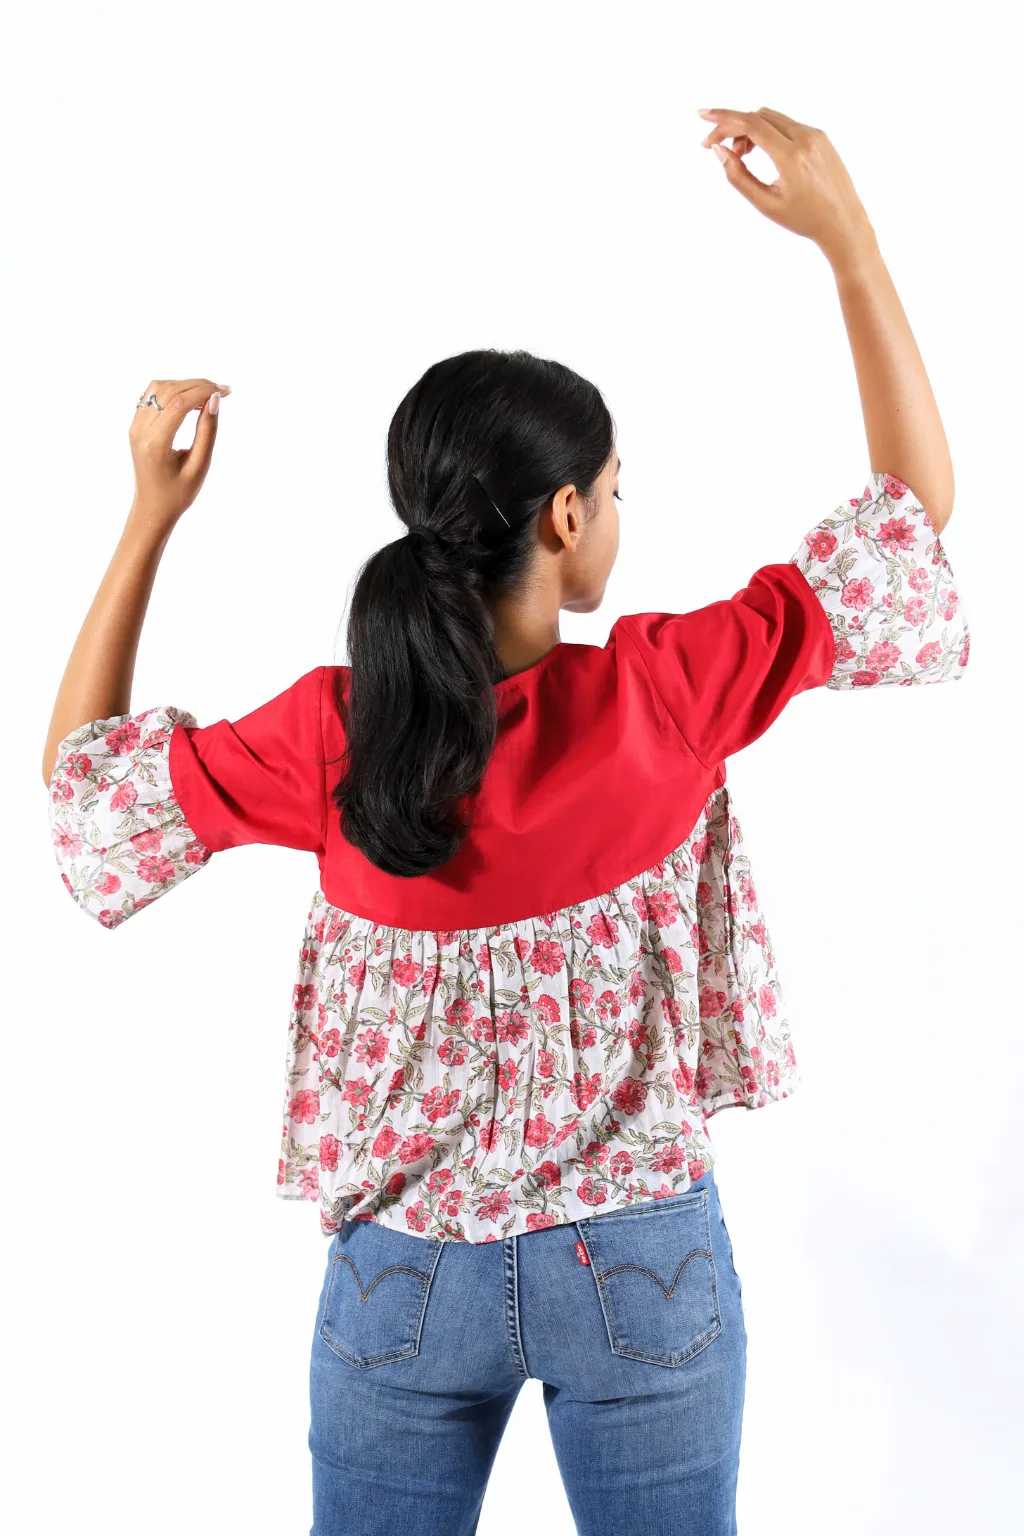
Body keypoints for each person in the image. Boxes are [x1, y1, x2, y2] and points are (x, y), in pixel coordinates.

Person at [42, 105, 969, 1536]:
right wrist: (847, 244)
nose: (615, 513)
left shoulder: (335, 734)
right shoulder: (671, 690)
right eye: (612, 491)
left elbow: (88, 802)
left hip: (404, 1279)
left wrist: (146, 518)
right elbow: (911, 519)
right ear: (560, 519)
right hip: (643, 1268)